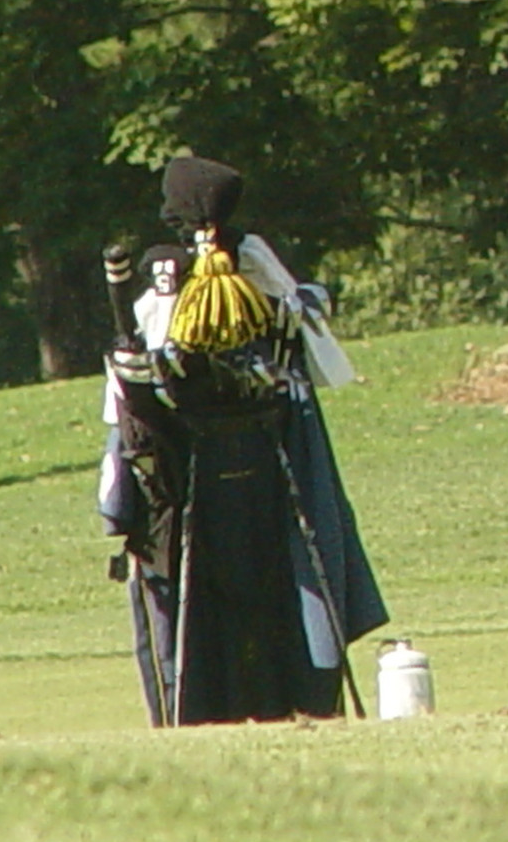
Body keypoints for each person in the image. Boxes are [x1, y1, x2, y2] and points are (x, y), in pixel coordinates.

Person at [97, 155, 387, 724]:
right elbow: (314, 349)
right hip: (266, 460)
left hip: (194, 471)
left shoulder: (168, 273)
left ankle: (196, 706)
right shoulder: (254, 258)